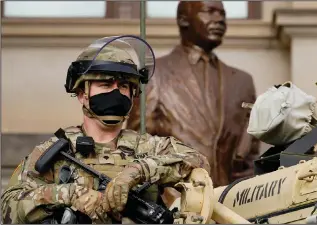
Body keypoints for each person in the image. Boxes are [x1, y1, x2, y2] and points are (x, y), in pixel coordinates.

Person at [1, 36, 210, 224]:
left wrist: (139, 171)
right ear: (82, 93)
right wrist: (71, 194)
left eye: (124, 86)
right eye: (105, 84)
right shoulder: (56, 152)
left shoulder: (149, 146)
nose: (116, 92)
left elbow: (199, 161)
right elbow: (8, 208)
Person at [127, 1, 260, 187]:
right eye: (209, 12)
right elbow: (136, 147)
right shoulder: (155, 74)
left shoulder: (242, 82)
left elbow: (250, 156)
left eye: (222, 13)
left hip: (230, 205)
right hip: (175, 204)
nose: (220, 19)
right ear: (183, 20)